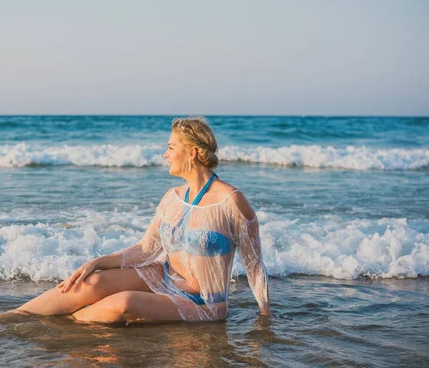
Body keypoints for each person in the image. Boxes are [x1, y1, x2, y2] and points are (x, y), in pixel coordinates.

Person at [13, 116, 271, 322]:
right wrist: (98, 262)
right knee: (94, 280)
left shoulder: (231, 201)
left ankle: (56, 326)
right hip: (163, 278)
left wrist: (265, 316)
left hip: (202, 303)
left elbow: (254, 264)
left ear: (191, 153)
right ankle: (15, 317)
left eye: (171, 147)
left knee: (125, 303)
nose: (165, 154)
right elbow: (146, 249)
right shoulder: (173, 197)